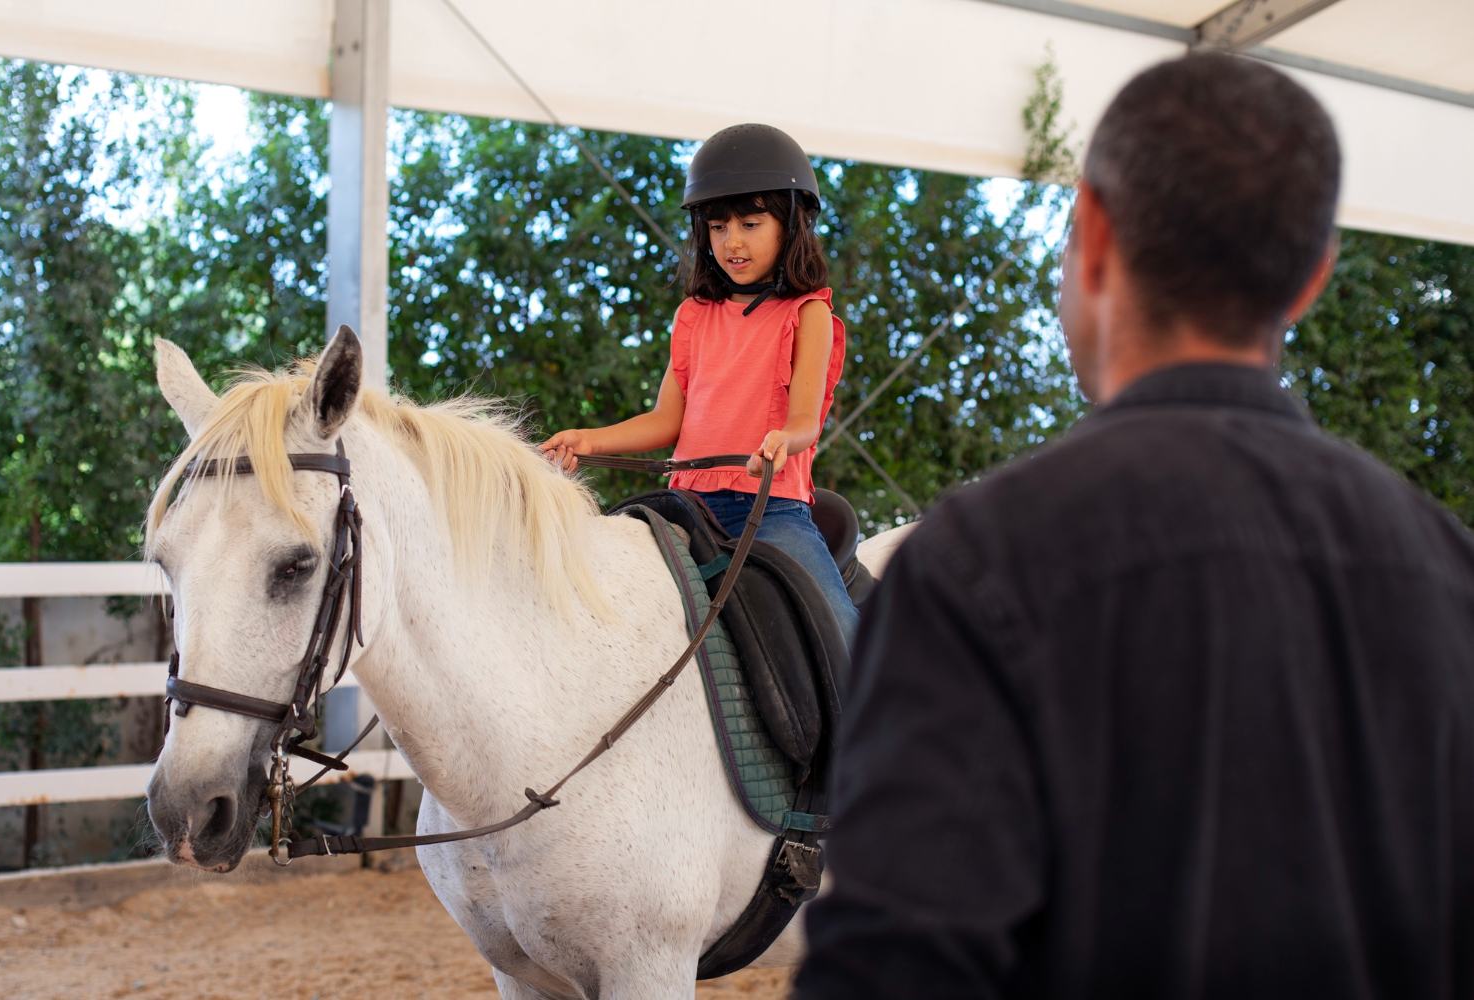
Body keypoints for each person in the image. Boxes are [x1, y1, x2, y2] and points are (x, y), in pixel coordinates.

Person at [795, 53, 1474, 999]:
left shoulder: (980, 561)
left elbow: (894, 969)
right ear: (1311, 280)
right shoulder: (1449, 569)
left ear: (1098, 237)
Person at [542, 123, 857, 641]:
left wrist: (782, 441)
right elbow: (668, 420)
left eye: (750, 225)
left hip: (770, 507)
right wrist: (589, 440)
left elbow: (803, 420)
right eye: (717, 228)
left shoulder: (808, 314)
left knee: (842, 634)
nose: (731, 242)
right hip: (686, 507)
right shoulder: (694, 314)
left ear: (791, 225)